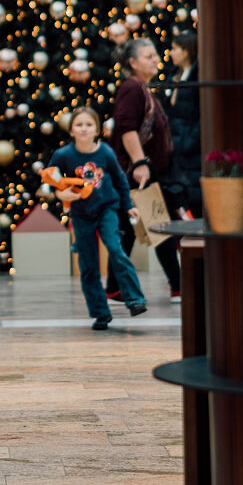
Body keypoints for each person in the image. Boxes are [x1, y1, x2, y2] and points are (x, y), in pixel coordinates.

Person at [49, 107, 147, 330]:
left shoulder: (105, 152)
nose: (84, 129)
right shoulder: (63, 156)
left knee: (115, 248)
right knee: (88, 264)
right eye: (79, 125)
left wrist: (128, 205)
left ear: (97, 129)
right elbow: (51, 180)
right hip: (81, 214)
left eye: (89, 125)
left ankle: (134, 298)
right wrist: (60, 194)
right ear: (71, 130)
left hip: (106, 209)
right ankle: (100, 313)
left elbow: (121, 181)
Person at [106, 38, 182, 302]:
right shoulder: (131, 88)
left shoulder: (143, 88)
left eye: (155, 55)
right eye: (149, 56)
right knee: (157, 225)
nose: (155, 59)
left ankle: (115, 288)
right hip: (138, 173)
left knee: (145, 227)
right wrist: (139, 164)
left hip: (148, 172)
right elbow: (125, 128)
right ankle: (177, 285)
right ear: (132, 63)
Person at [164, 31, 201, 218]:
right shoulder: (175, 76)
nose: (171, 53)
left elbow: (201, 115)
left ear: (186, 51)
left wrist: (187, 142)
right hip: (177, 149)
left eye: (174, 49)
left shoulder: (197, 77)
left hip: (191, 151)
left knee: (194, 201)